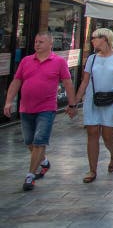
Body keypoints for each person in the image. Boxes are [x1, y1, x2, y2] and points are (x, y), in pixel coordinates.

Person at [3, 33, 77, 191]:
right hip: (26, 107)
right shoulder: (26, 61)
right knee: (29, 142)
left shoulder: (59, 62)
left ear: (50, 44)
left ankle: (30, 176)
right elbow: (16, 81)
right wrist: (9, 101)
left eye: (41, 42)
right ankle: (43, 162)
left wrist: (72, 104)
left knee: (39, 141)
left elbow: (68, 83)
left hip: (47, 108)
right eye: (36, 41)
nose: (37, 44)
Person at [74, 28, 113, 183]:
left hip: (112, 99)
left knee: (108, 135)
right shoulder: (91, 58)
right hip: (92, 99)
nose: (92, 40)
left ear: (105, 39)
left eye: (94, 38)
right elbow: (85, 80)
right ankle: (92, 170)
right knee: (92, 133)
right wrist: (76, 100)